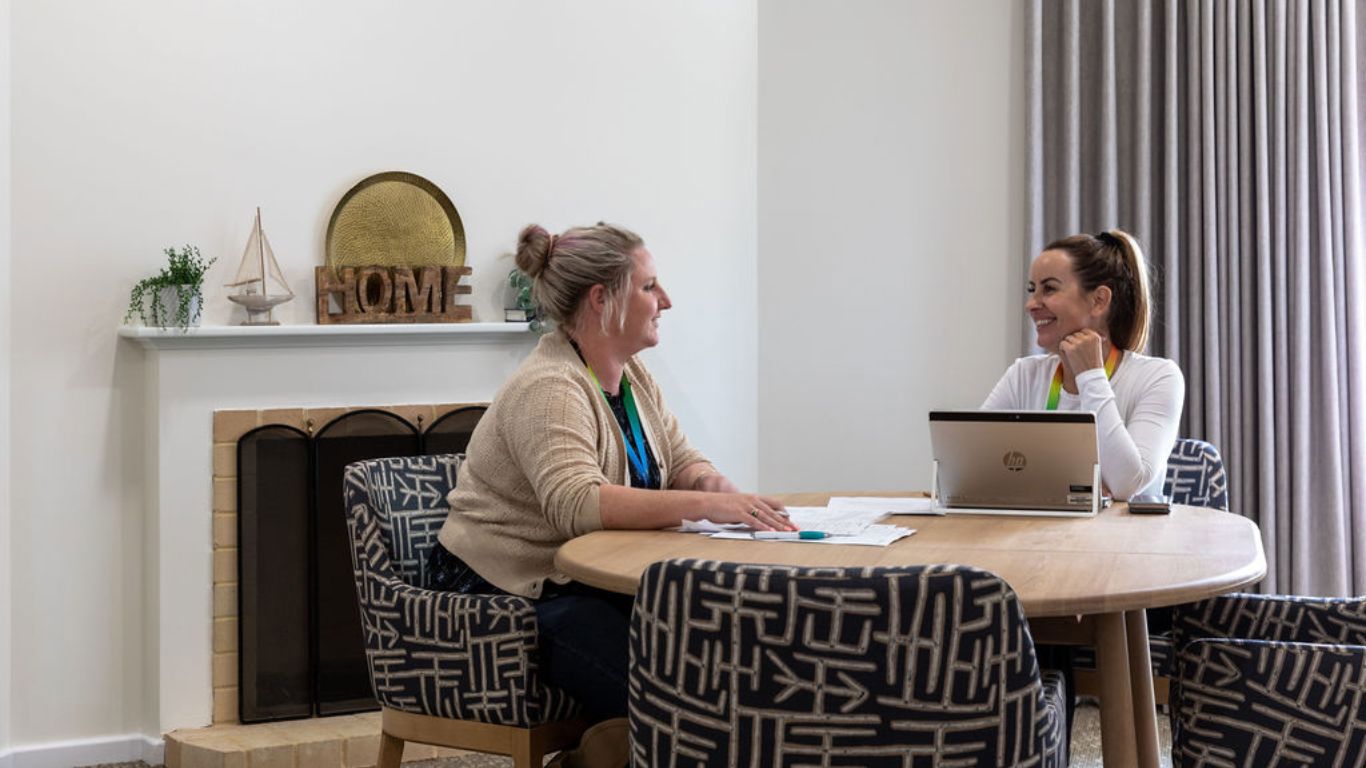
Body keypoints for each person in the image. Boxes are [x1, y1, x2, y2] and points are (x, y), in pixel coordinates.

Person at [426, 222, 792, 763]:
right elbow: (578, 505)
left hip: (579, 581)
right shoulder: (549, 387)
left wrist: (721, 490)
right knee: (672, 694)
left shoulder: (632, 375)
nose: (665, 300)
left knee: (717, 649)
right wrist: (708, 506)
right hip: (503, 592)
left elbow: (682, 459)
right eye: (649, 287)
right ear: (602, 299)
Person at [983, 229, 1184, 500]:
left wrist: (1091, 373)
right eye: (1032, 289)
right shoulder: (1024, 375)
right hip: (1035, 538)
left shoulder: (1158, 377)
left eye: (1049, 288)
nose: (1031, 304)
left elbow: (1126, 484)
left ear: (1099, 300)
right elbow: (970, 472)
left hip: (1125, 542)